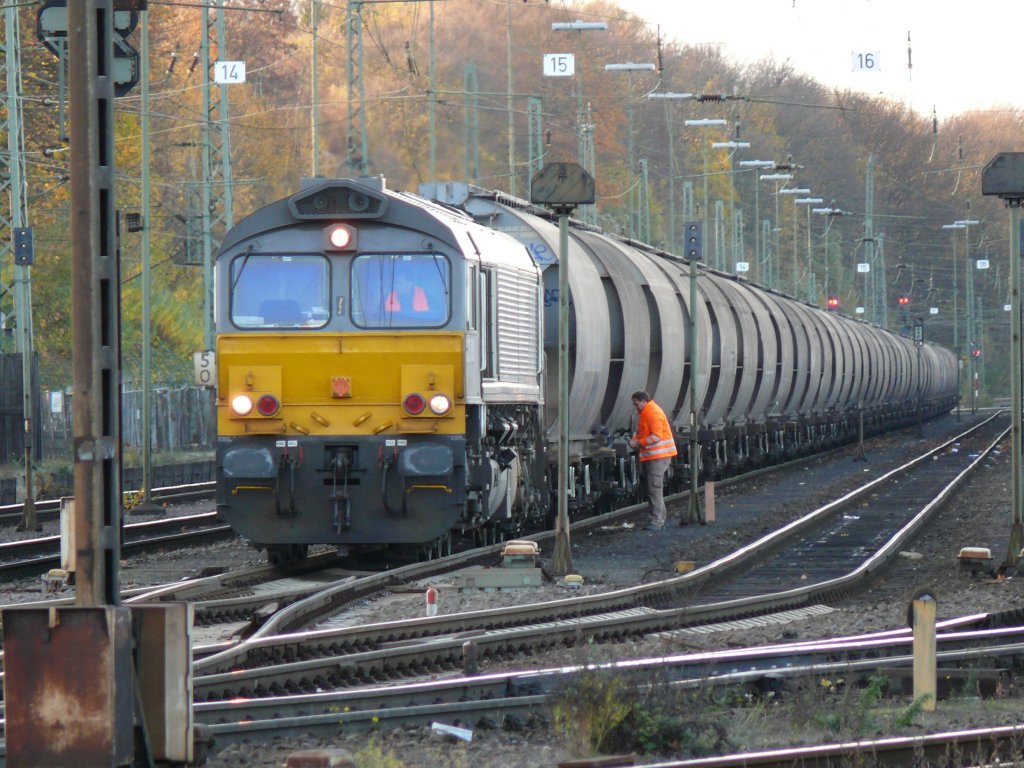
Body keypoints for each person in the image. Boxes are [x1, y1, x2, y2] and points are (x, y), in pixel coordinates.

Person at [628, 390, 678, 530]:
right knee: (652, 488)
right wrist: (636, 439)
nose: (635, 407)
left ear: (644, 401)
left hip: (659, 457)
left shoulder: (653, 413)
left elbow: (656, 436)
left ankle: (657, 520)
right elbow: (645, 433)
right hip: (653, 456)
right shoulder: (645, 414)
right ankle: (657, 518)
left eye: (636, 404)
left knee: (654, 488)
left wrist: (638, 443)